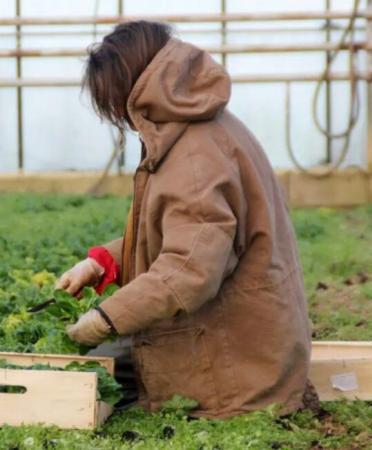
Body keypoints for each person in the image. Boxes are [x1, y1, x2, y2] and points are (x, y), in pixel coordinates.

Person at [56, 20, 313, 419]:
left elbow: (189, 271)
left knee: (88, 372)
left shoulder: (194, 155)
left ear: (130, 91)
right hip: (245, 334)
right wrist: (102, 263)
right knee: (97, 365)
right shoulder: (199, 124)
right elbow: (183, 235)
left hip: (238, 365)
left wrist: (108, 317)